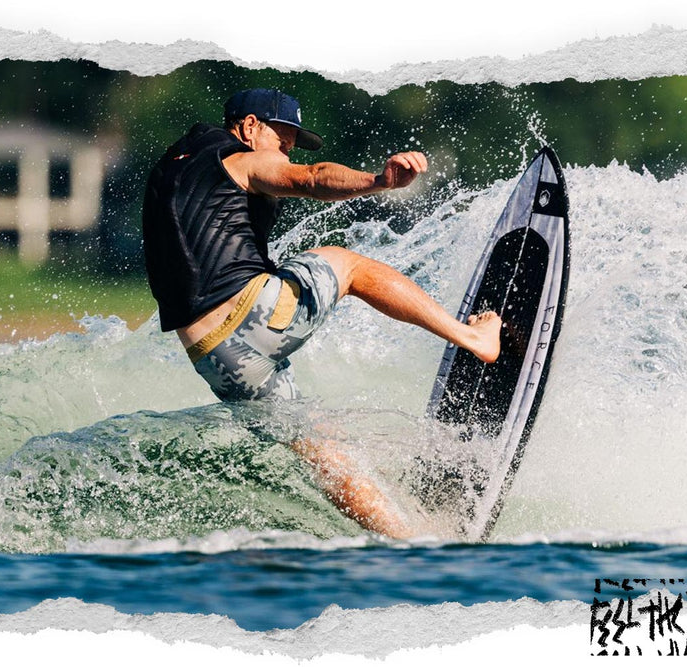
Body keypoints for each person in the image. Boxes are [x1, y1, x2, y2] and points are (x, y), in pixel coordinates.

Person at [140, 88, 502, 539]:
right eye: (283, 142)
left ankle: (411, 541)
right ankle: (473, 339)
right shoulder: (238, 157)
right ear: (250, 127)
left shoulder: (172, 170)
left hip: (214, 358)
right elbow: (311, 178)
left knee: (320, 445)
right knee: (347, 265)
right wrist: (379, 181)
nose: (285, 155)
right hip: (251, 315)